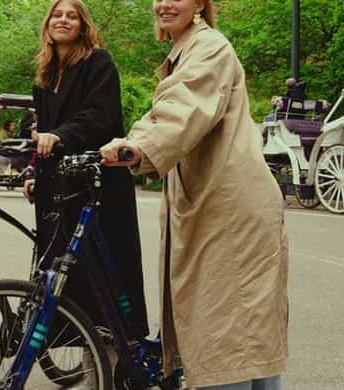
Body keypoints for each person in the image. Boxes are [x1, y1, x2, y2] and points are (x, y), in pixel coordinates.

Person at [100, 1, 288, 389]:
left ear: (200, 3)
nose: (165, 3)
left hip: (231, 216)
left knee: (227, 347)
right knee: (246, 345)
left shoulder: (210, 47)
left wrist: (136, 146)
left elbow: (185, 107)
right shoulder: (185, 51)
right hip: (218, 207)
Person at [22, 0, 149, 343]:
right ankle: (79, 344)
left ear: (82, 25)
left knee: (107, 270)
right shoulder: (46, 74)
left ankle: (122, 349)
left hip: (99, 181)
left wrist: (59, 136)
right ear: (48, 24)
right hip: (60, 182)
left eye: (71, 15)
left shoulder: (98, 62)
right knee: (62, 268)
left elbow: (99, 117)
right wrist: (34, 170)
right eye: (57, 14)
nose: (63, 20)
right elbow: (43, 130)